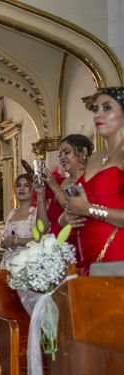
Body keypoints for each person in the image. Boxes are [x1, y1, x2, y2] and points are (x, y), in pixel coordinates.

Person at [63, 87, 124, 273]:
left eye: (107, 108)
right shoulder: (95, 158)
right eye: (95, 109)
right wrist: (68, 217)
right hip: (87, 255)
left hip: (117, 254)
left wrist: (89, 210)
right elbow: (80, 205)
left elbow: (89, 208)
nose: (98, 114)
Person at [34, 134, 92, 257]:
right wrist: (40, 196)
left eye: (66, 152)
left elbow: (74, 209)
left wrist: (54, 186)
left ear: (83, 152)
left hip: (81, 249)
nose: (62, 157)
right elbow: (43, 228)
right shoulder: (59, 183)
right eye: (60, 154)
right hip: (56, 250)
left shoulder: (91, 180)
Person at [0, 174, 36, 268]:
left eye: (26, 185)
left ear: (33, 190)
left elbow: (40, 241)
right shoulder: (12, 213)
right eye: (18, 185)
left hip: (27, 265)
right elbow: (4, 240)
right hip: (7, 264)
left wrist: (15, 240)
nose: (21, 188)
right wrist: (4, 243)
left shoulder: (36, 213)